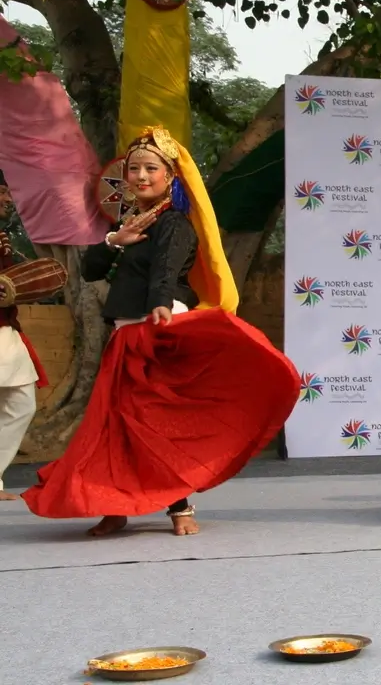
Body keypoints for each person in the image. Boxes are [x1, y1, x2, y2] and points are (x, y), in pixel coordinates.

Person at [21, 127, 301, 536]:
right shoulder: (132, 224)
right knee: (113, 427)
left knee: (153, 425)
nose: (140, 176)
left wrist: (160, 305)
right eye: (133, 168)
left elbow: (166, 271)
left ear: (171, 176)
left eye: (151, 168)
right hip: (124, 338)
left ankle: (179, 506)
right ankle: (112, 505)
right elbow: (91, 271)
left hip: (156, 332)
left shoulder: (174, 224)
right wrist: (115, 241)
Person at [0, 172, 50, 500]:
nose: (8, 200)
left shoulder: (2, 235)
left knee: (21, 403)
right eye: (2, 193)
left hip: (6, 328)